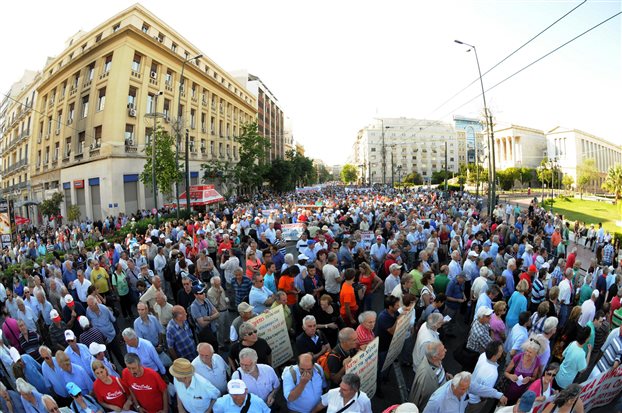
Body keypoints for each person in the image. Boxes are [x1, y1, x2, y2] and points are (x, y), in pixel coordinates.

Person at [423, 371, 505, 413]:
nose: (466, 391)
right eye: (462, 389)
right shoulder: (437, 401)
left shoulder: (465, 384)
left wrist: (498, 395)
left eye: (467, 388)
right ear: (453, 386)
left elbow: (480, 389)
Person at [466, 341, 507, 413]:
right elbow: (484, 394)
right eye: (500, 351)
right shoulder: (493, 373)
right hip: (475, 401)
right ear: (495, 355)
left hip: (467, 391)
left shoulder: (483, 355)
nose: (502, 352)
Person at [409, 342, 451, 410]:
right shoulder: (425, 376)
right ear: (434, 357)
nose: (445, 350)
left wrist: (445, 376)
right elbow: (417, 397)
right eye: (443, 350)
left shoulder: (436, 360)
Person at [503, 338, 543, 405]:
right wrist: (510, 376)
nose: (527, 353)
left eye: (530, 352)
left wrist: (529, 379)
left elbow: (534, 377)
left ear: (536, 354)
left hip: (521, 394)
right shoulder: (518, 357)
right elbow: (505, 372)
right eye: (526, 350)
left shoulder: (537, 361)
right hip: (509, 390)